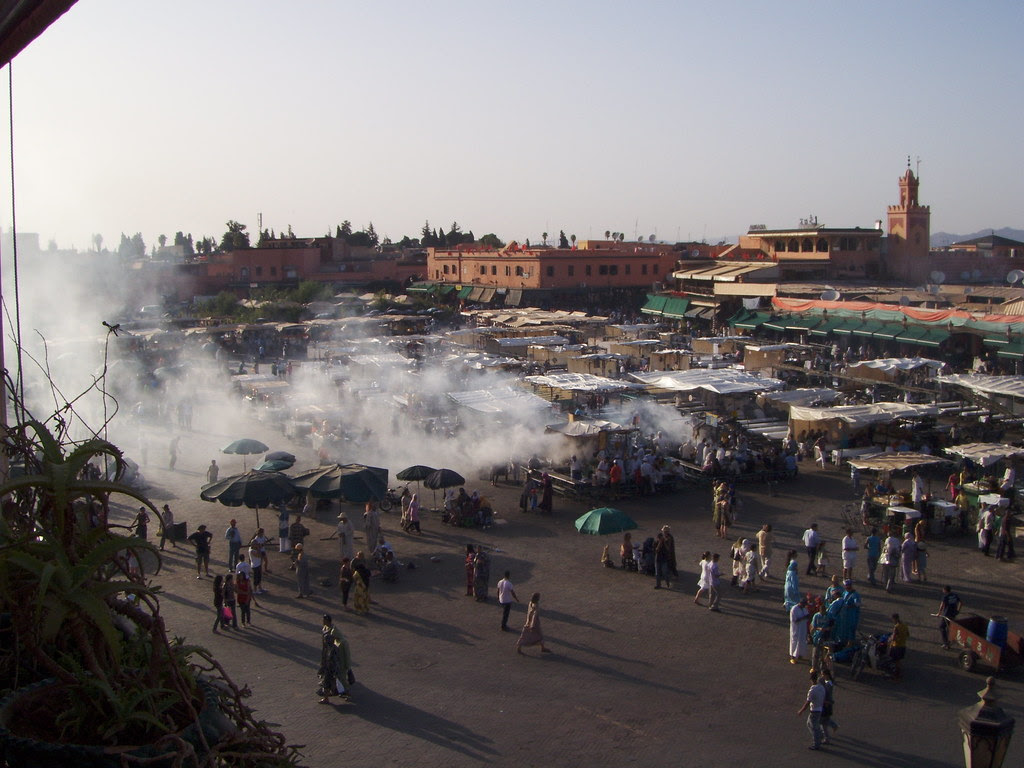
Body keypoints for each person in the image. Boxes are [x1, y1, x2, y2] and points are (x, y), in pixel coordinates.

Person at [317, 614, 353, 704]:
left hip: (335, 667)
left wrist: (347, 666)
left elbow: (344, 657)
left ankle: (347, 693)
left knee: (341, 680)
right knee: (327, 682)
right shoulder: (329, 647)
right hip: (329, 667)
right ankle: (327, 697)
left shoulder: (340, 645)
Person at [796, 671, 826, 750]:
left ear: (812, 680)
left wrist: (801, 710)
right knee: (811, 724)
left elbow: (808, 702)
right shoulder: (821, 687)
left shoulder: (812, 690)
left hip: (814, 710)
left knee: (813, 726)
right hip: (820, 708)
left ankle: (817, 742)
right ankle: (820, 735)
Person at [937, 585, 962, 649]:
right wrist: (958, 610)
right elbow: (961, 602)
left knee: (942, 627)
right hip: (953, 614)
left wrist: (939, 613)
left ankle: (946, 643)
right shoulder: (955, 595)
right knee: (950, 627)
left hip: (947, 614)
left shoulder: (945, 596)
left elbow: (942, 605)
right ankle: (949, 641)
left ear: (945, 590)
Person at [887, 612, 909, 678]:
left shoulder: (896, 627)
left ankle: (896, 675)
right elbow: (908, 634)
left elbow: (893, 638)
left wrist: (889, 640)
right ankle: (898, 674)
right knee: (898, 661)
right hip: (903, 645)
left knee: (895, 661)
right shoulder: (905, 625)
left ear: (894, 619)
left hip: (896, 646)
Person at [820, 668, 839, 743]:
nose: (822, 676)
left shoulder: (828, 684)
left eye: (823, 675)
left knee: (822, 721)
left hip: (826, 704)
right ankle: (834, 726)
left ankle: (826, 737)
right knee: (826, 719)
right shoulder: (827, 682)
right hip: (827, 704)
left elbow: (826, 694)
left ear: (827, 675)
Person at [790, 597, 810, 664]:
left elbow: (807, 615)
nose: (805, 606)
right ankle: (792, 657)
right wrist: (804, 617)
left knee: (801, 641)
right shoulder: (794, 609)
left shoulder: (804, 609)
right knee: (794, 642)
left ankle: (799, 654)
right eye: (804, 604)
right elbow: (794, 620)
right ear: (801, 603)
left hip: (803, 628)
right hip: (796, 629)